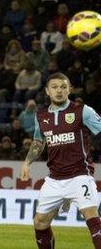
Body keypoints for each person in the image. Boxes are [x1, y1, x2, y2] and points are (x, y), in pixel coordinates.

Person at [20, 73, 101, 249]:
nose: (59, 90)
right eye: (55, 87)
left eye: (63, 87)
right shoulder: (40, 115)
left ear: (69, 90)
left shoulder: (82, 111)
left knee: (92, 218)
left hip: (80, 175)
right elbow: (38, 141)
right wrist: (27, 162)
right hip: (55, 179)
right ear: (47, 91)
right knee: (40, 222)